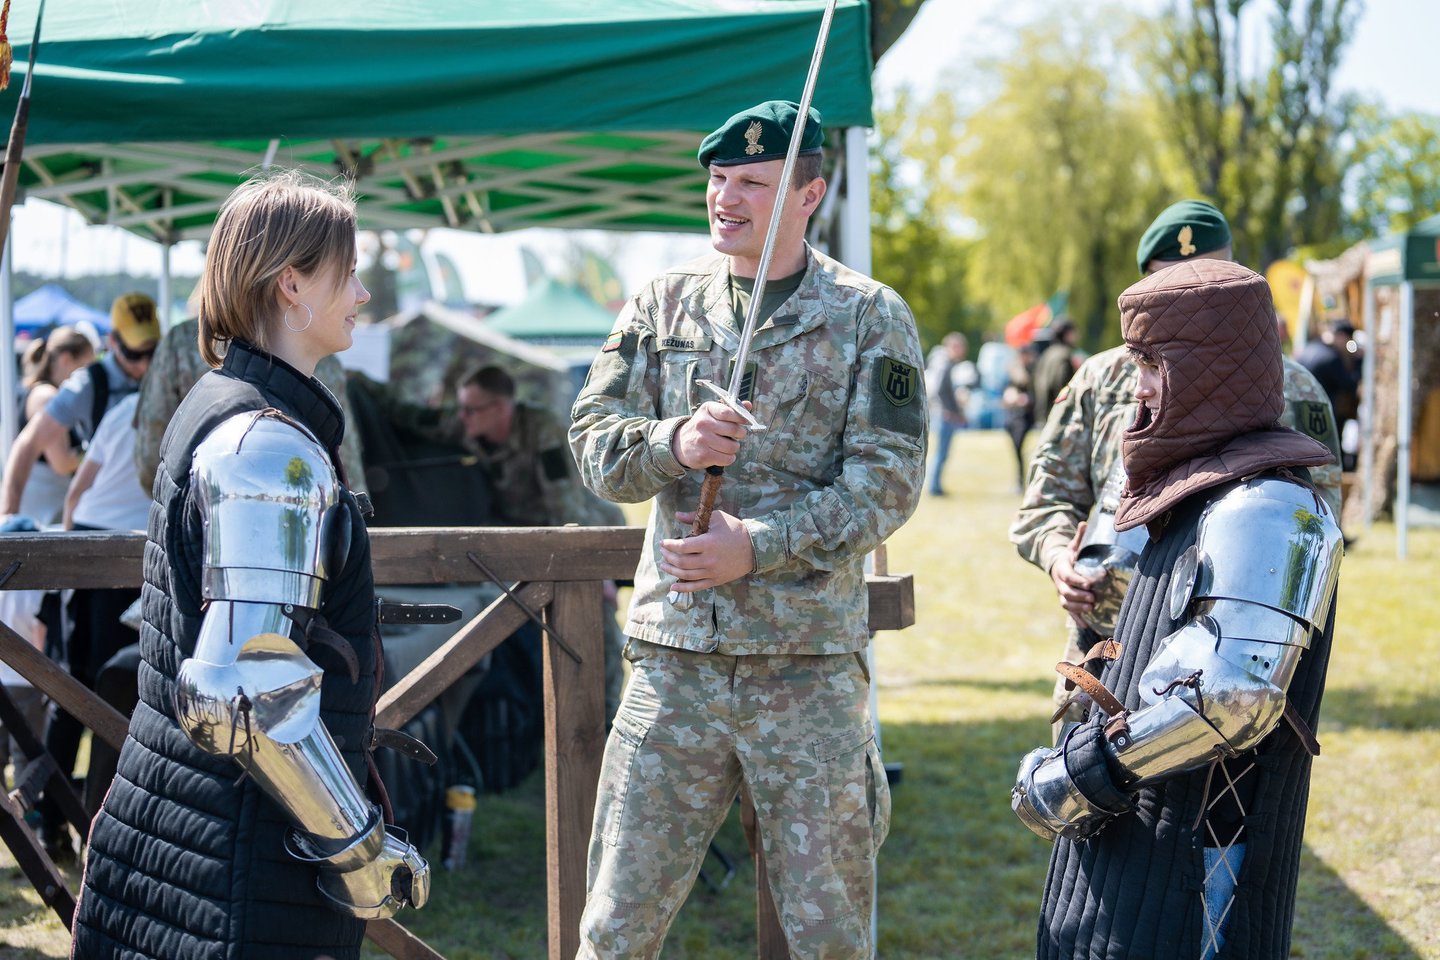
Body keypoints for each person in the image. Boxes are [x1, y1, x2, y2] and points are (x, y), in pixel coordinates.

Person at [569, 100, 925, 959]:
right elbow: (591, 443)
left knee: (830, 934)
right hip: (675, 670)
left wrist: (755, 548)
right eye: (718, 180)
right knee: (615, 927)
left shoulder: (869, 316)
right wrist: (673, 442)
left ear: (811, 195)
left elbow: (888, 484)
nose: (726, 198)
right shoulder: (663, 304)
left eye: (753, 183)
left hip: (805, 673)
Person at [71, 169, 428, 960]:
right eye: (350, 273)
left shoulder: (218, 401)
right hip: (241, 849)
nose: (363, 294)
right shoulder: (266, 448)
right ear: (292, 284)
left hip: (179, 822)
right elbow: (240, 688)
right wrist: (360, 848)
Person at [1012, 258, 1342, 960]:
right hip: (1138, 823)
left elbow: (1230, 695)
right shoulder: (1196, 488)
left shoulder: (1269, 506)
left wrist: (1079, 774)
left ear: (1206, 367)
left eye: (1152, 365)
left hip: (1204, 844)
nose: (1138, 388)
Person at [1009, 200, 1343, 742]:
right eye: (1174, 281)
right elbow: (1045, 501)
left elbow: (1318, 527)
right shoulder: (1099, 379)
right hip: (1107, 645)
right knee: (1083, 796)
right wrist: (1058, 562)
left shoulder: (1294, 386)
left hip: (1224, 660)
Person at [455, 363, 629, 719]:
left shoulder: (542, 430)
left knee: (598, 630)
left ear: (500, 409)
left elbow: (564, 506)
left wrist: (594, 571)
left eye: (471, 410)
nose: (462, 418)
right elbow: (414, 417)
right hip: (535, 546)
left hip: (583, 532)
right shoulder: (471, 427)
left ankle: (606, 720)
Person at [0, 328, 95, 791]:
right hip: (38, 535)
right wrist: (98, 454)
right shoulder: (46, 397)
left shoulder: (34, 390)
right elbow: (61, 462)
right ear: (68, 361)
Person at [133, 315, 366, 496]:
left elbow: (151, 460)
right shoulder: (316, 348)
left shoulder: (182, 343)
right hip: (310, 532)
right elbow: (347, 471)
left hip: (204, 531)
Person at [0, 294, 157, 521]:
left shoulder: (165, 376)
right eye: (134, 353)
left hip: (147, 514)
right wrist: (8, 515)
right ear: (113, 342)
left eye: (152, 353)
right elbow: (27, 445)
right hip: (102, 519)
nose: (144, 364)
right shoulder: (88, 385)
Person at [1296, 319, 1362, 469]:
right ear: (1342, 336)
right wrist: (1358, 362)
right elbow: (1350, 384)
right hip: (1322, 415)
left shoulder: (1310, 348)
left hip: (1301, 410)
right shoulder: (1331, 357)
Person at [924, 332, 976, 495]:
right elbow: (940, 390)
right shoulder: (944, 363)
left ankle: (935, 486)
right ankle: (934, 487)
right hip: (945, 415)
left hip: (943, 413)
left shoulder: (943, 362)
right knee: (941, 452)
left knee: (942, 452)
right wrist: (951, 411)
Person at [1029, 316, 1080, 425]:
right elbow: (1062, 386)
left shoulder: (1047, 354)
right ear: (1067, 334)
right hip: (1060, 415)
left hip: (1045, 413)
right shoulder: (1064, 355)